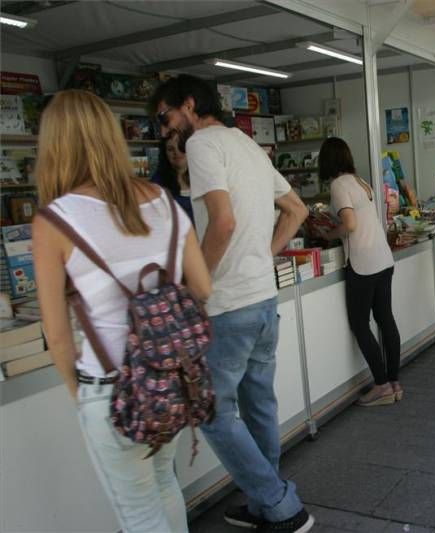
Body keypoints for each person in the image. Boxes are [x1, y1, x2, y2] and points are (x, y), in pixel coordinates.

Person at [32, 90, 212, 532]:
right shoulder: (164, 201)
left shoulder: (54, 221)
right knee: (165, 489)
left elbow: (56, 335)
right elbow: (203, 287)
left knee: (138, 515)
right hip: (168, 379)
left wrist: (84, 399)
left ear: (53, 145)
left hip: (109, 388)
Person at [149, 75, 314, 532]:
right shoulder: (244, 142)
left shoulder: (202, 144)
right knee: (258, 405)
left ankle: (280, 504)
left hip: (229, 306)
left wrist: (194, 290)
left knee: (213, 412)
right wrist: (263, 255)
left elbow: (220, 224)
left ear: (187, 105)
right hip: (263, 299)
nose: (164, 130)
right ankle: (265, 506)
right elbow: (297, 209)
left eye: (165, 118)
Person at [320, 137, 403, 404]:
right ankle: (394, 382)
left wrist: (328, 234)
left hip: (363, 263)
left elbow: (350, 224)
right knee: (386, 319)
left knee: (359, 323)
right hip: (382, 259)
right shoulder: (360, 181)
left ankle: (380, 386)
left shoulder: (337, 185)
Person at [152, 130, 193, 222]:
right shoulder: (157, 181)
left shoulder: (201, 175)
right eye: (170, 149)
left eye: (181, 147)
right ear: (165, 154)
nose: (176, 152)